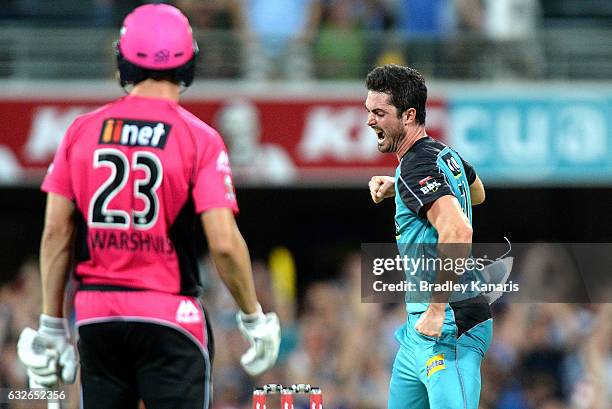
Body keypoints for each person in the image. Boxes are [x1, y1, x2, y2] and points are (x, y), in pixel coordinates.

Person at [15, 4, 280, 409]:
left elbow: (56, 232)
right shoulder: (200, 139)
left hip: (96, 317)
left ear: (123, 60)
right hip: (171, 317)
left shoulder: (81, 131)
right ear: (189, 61)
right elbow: (224, 243)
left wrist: (51, 324)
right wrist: (252, 317)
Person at [365, 64, 491, 409]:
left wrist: (437, 310)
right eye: (369, 111)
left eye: (379, 113)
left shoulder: (417, 165)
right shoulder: (440, 153)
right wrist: (404, 190)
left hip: (448, 325)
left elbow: (459, 228)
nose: (369, 121)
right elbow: (475, 193)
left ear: (408, 115)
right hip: (417, 332)